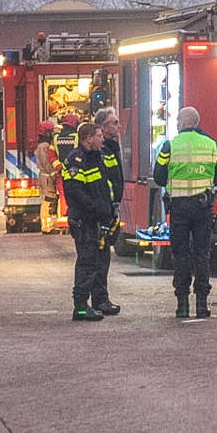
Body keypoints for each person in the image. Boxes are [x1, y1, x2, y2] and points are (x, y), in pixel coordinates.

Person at [152, 105, 217, 319]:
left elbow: (158, 176)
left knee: (181, 254)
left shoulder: (169, 146)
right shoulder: (212, 145)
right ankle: (202, 305)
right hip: (203, 207)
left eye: (177, 121)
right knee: (202, 254)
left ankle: (182, 304)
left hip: (179, 208)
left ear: (183, 123)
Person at [61, 118, 117, 321]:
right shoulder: (76, 160)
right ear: (88, 138)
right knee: (87, 263)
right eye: (99, 136)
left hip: (99, 219)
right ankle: (81, 307)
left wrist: (109, 210)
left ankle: (100, 301)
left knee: (101, 261)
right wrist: (95, 209)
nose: (103, 139)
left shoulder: (96, 157)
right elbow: (74, 192)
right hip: (85, 220)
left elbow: (104, 187)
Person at [90, 107, 125, 316]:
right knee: (98, 258)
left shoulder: (111, 148)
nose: (118, 126)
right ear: (102, 127)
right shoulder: (101, 152)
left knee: (104, 257)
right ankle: (99, 300)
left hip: (109, 210)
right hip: (101, 212)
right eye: (114, 123)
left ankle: (101, 299)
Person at [34, 119, 60, 233]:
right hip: (47, 177)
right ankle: (47, 227)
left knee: (48, 200)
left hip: (45, 176)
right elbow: (47, 163)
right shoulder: (44, 146)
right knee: (48, 200)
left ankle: (48, 226)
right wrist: (55, 174)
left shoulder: (41, 145)